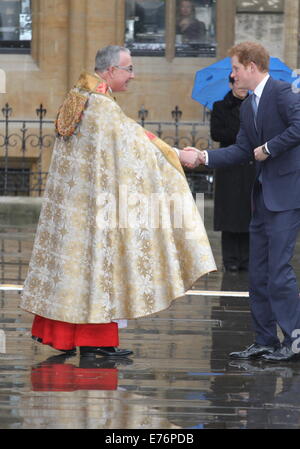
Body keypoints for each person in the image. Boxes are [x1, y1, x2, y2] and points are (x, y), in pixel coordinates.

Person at [20, 45, 216, 358]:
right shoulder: (101, 105)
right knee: (98, 269)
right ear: (110, 71)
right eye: (129, 68)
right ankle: (96, 340)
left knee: (72, 273)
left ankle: (57, 333)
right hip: (95, 208)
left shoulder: (79, 96)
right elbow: (134, 144)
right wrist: (177, 155)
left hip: (75, 206)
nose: (133, 75)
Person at [186, 41, 300, 362]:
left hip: (286, 196)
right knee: (258, 274)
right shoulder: (249, 106)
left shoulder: (282, 92)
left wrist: (270, 148)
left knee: (278, 271)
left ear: (251, 67)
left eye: (235, 68)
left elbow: (299, 126)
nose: (232, 75)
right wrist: (203, 156)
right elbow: (239, 149)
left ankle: (294, 340)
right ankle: (265, 339)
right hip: (262, 199)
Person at [210, 75, 255, 272]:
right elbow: (217, 134)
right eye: (238, 83)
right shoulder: (220, 106)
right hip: (228, 166)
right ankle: (230, 259)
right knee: (229, 214)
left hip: (250, 166)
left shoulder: (256, 106)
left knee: (248, 211)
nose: (242, 87)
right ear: (231, 84)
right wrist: (241, 132)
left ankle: (246, 258)